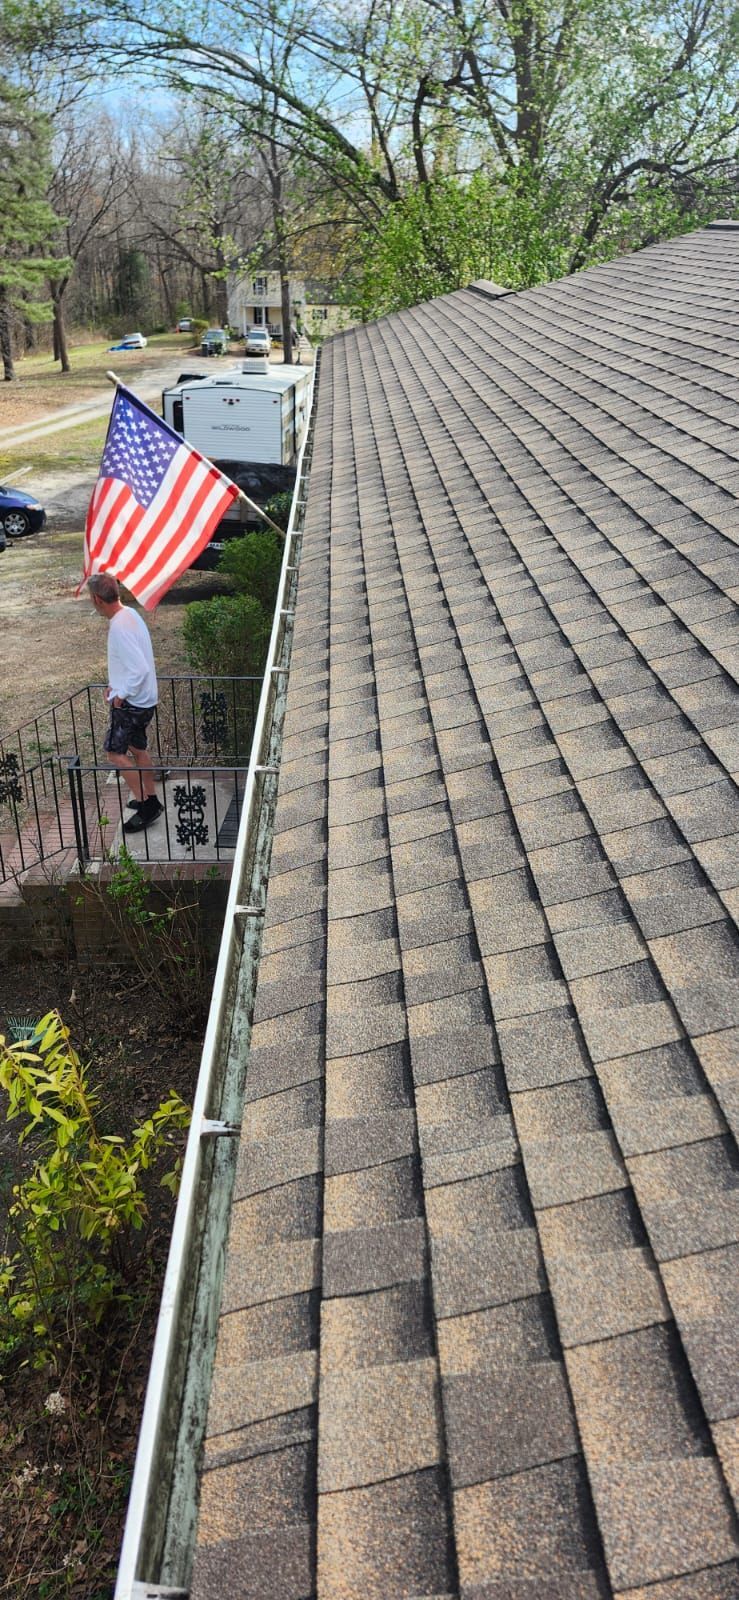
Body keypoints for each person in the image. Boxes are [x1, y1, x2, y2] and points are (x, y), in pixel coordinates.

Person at [88, 573, 163, 834]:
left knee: (115, 753)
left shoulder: (119, 627)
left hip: (132, 703)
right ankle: (150, 798)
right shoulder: (129, 614)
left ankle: (146, 805)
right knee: (137, 747)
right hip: (145, 700)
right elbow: (133, 663)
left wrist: (121, 694)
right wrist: (117, 684)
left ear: (97, 599)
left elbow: (139, 668)